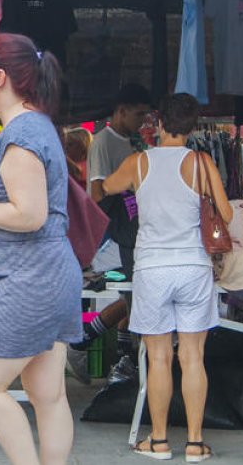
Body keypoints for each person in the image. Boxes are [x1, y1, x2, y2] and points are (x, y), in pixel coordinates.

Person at [0, 34, 82, 465]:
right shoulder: (35, 125)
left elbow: (30, 214)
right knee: (47, 394)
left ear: (0, 76)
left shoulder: (22, 133)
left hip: (32, 278)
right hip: (51, 273)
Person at [102, 93, 230, 462]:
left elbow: (106, 188)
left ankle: (158, 442)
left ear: (157, 125)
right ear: (191, 128)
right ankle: (194, 443)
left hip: (152, 268)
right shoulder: (201, 162)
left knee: (158, 358)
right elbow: (226, 214)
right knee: (192, 356)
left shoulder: (137, 162)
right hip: (193, 267)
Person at [67, 84, 152, 383]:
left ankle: (109, 352)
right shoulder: (104, 142)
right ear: (121, 111)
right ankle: (108, 351)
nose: (142, 120)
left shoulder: (134, 140)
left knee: (138, 293)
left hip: (135, 226)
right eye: (138, 114)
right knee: (136, 293)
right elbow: (97, 193)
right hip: (118, 228)